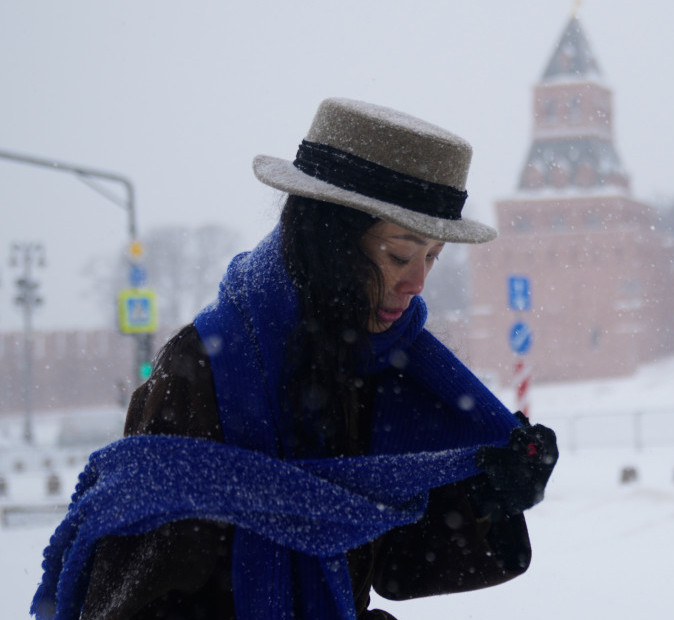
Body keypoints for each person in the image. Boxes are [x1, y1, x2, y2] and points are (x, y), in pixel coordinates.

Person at [32, 98, 558, 619]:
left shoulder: (393, 368)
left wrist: (488, 498)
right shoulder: (203, 369)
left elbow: (396, 565)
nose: (418, 283)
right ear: (330, 240)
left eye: (433, 258)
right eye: (400, 254)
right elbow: (137, 596)